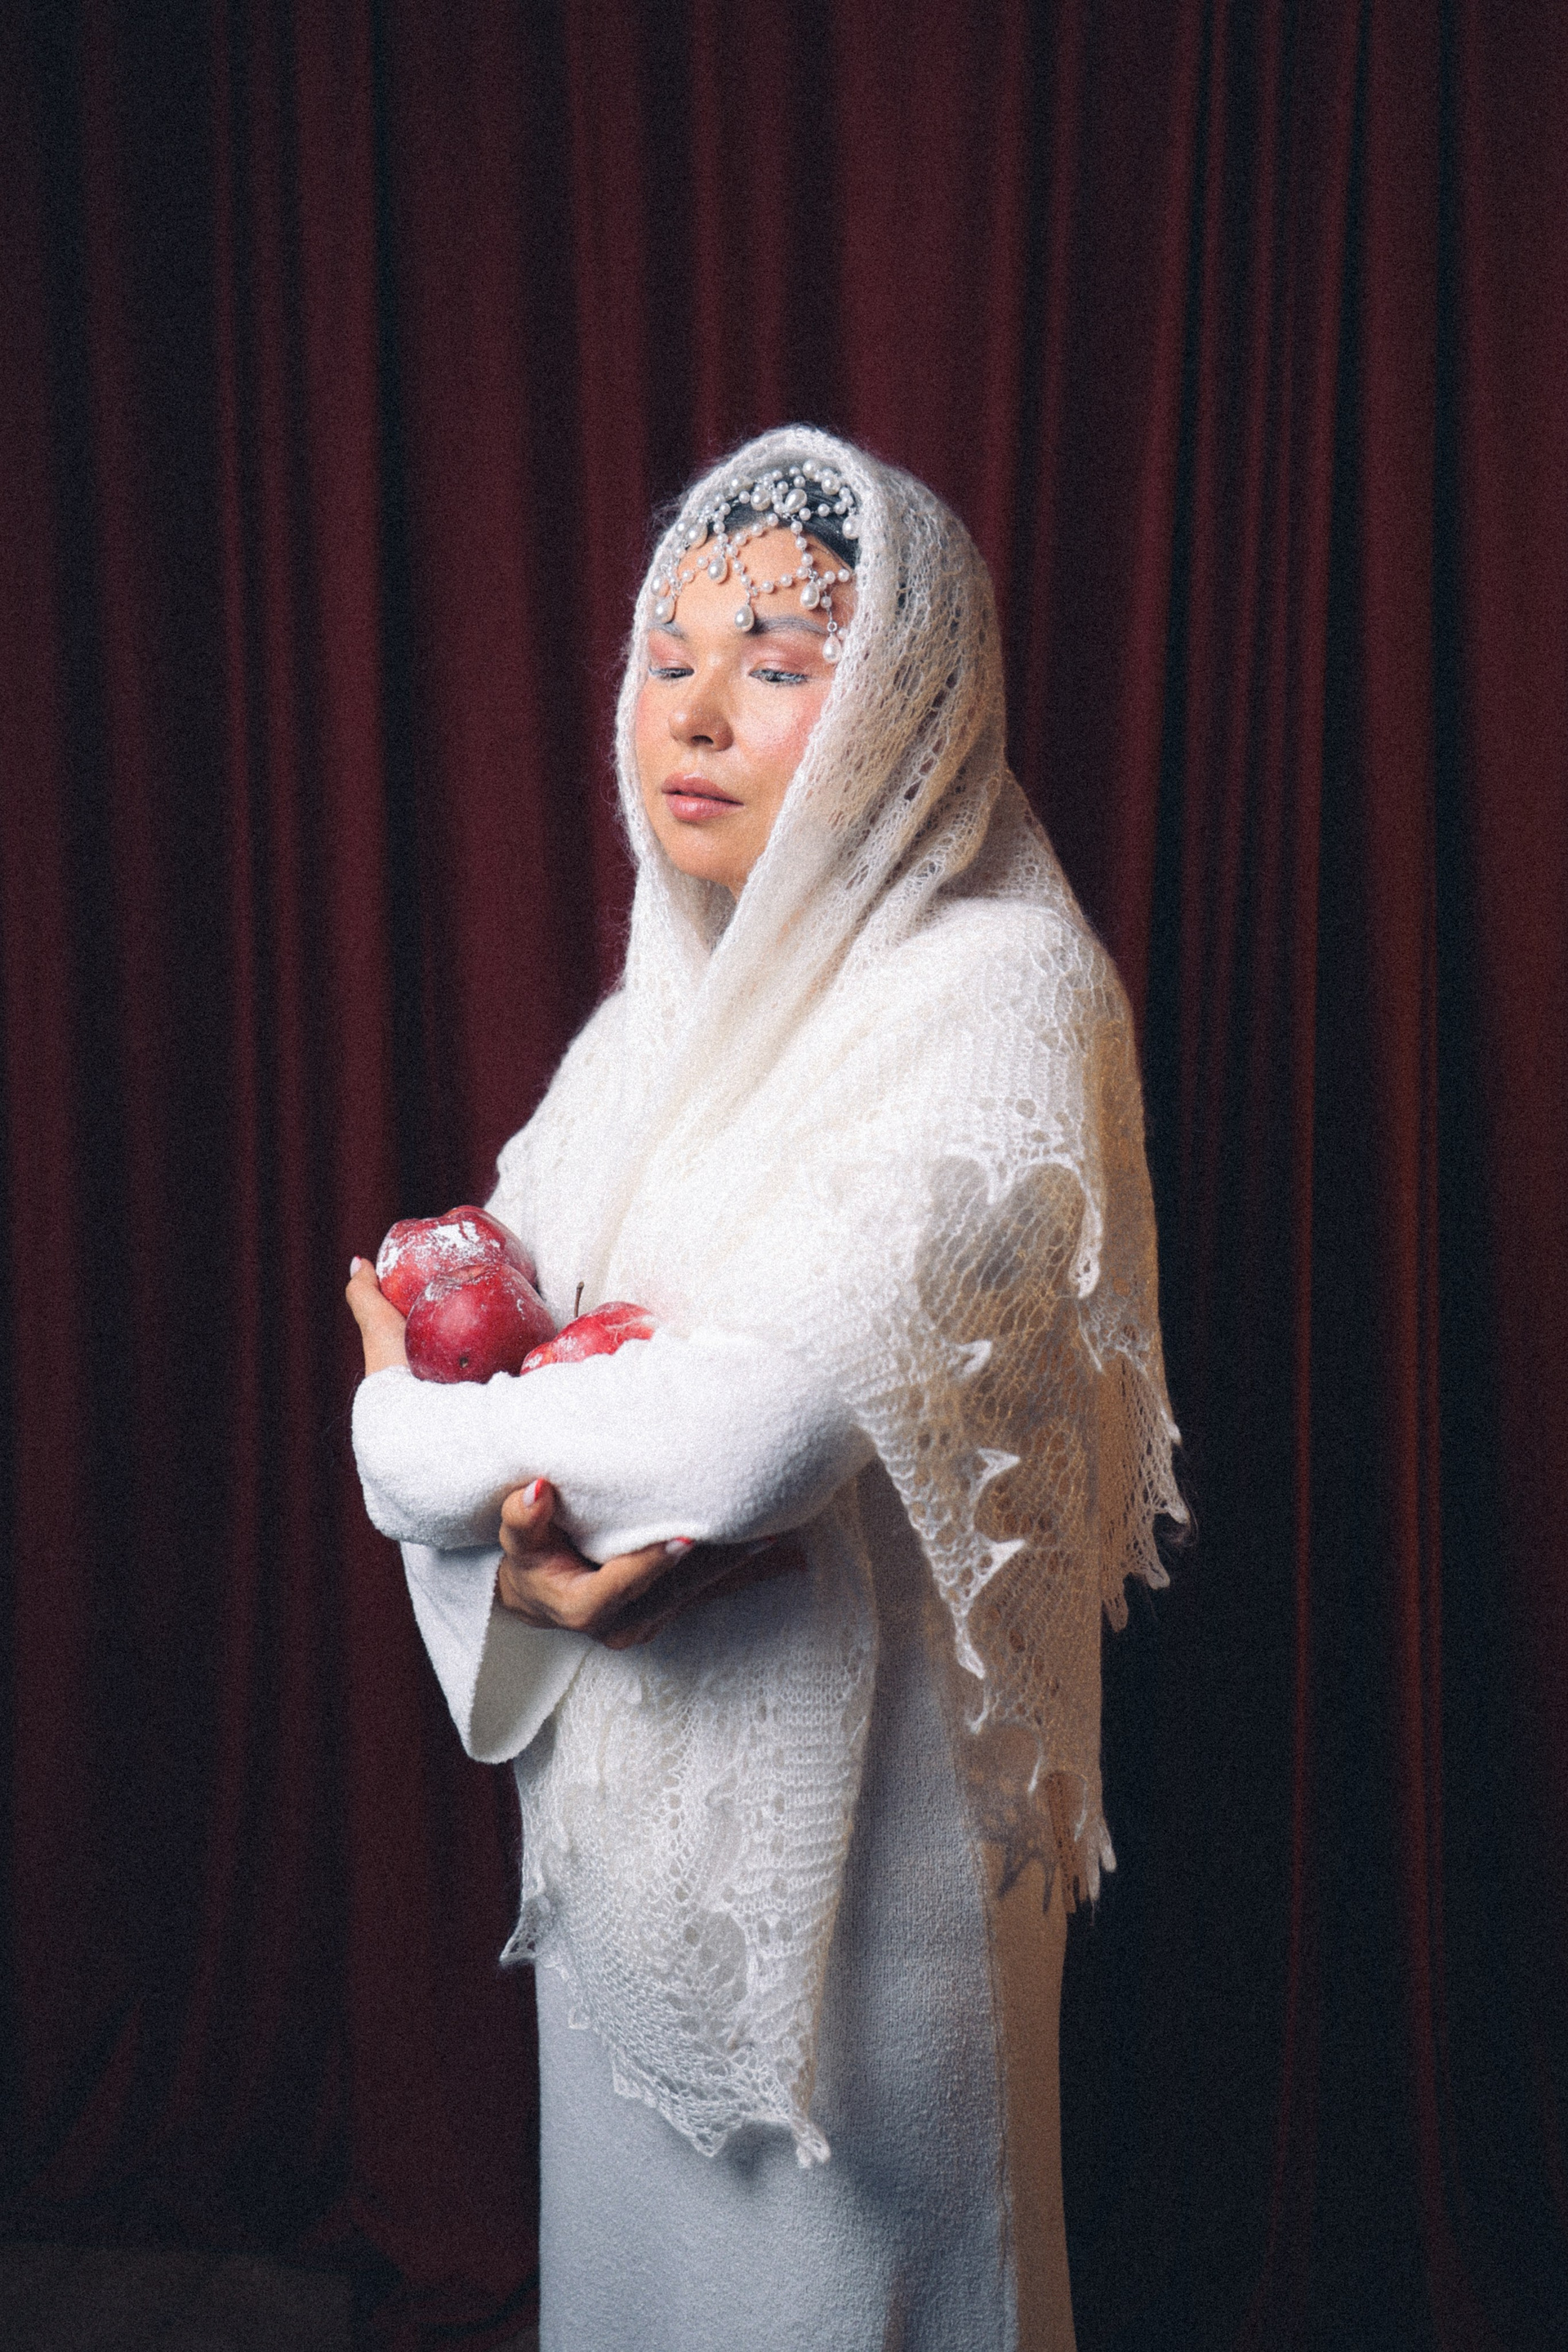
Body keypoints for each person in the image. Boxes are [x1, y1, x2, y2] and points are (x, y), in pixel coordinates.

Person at [346, 428, 1183, 2352]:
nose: (697, 711)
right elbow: (494, 1302)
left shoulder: (998, 997)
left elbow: (750, 1429)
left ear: (902, 708)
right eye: (670, 656)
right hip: (629, 1847)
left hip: (876, 1895)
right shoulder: (654, 1025)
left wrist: (404, 1439)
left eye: (782, 664)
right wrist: (528, 1537)